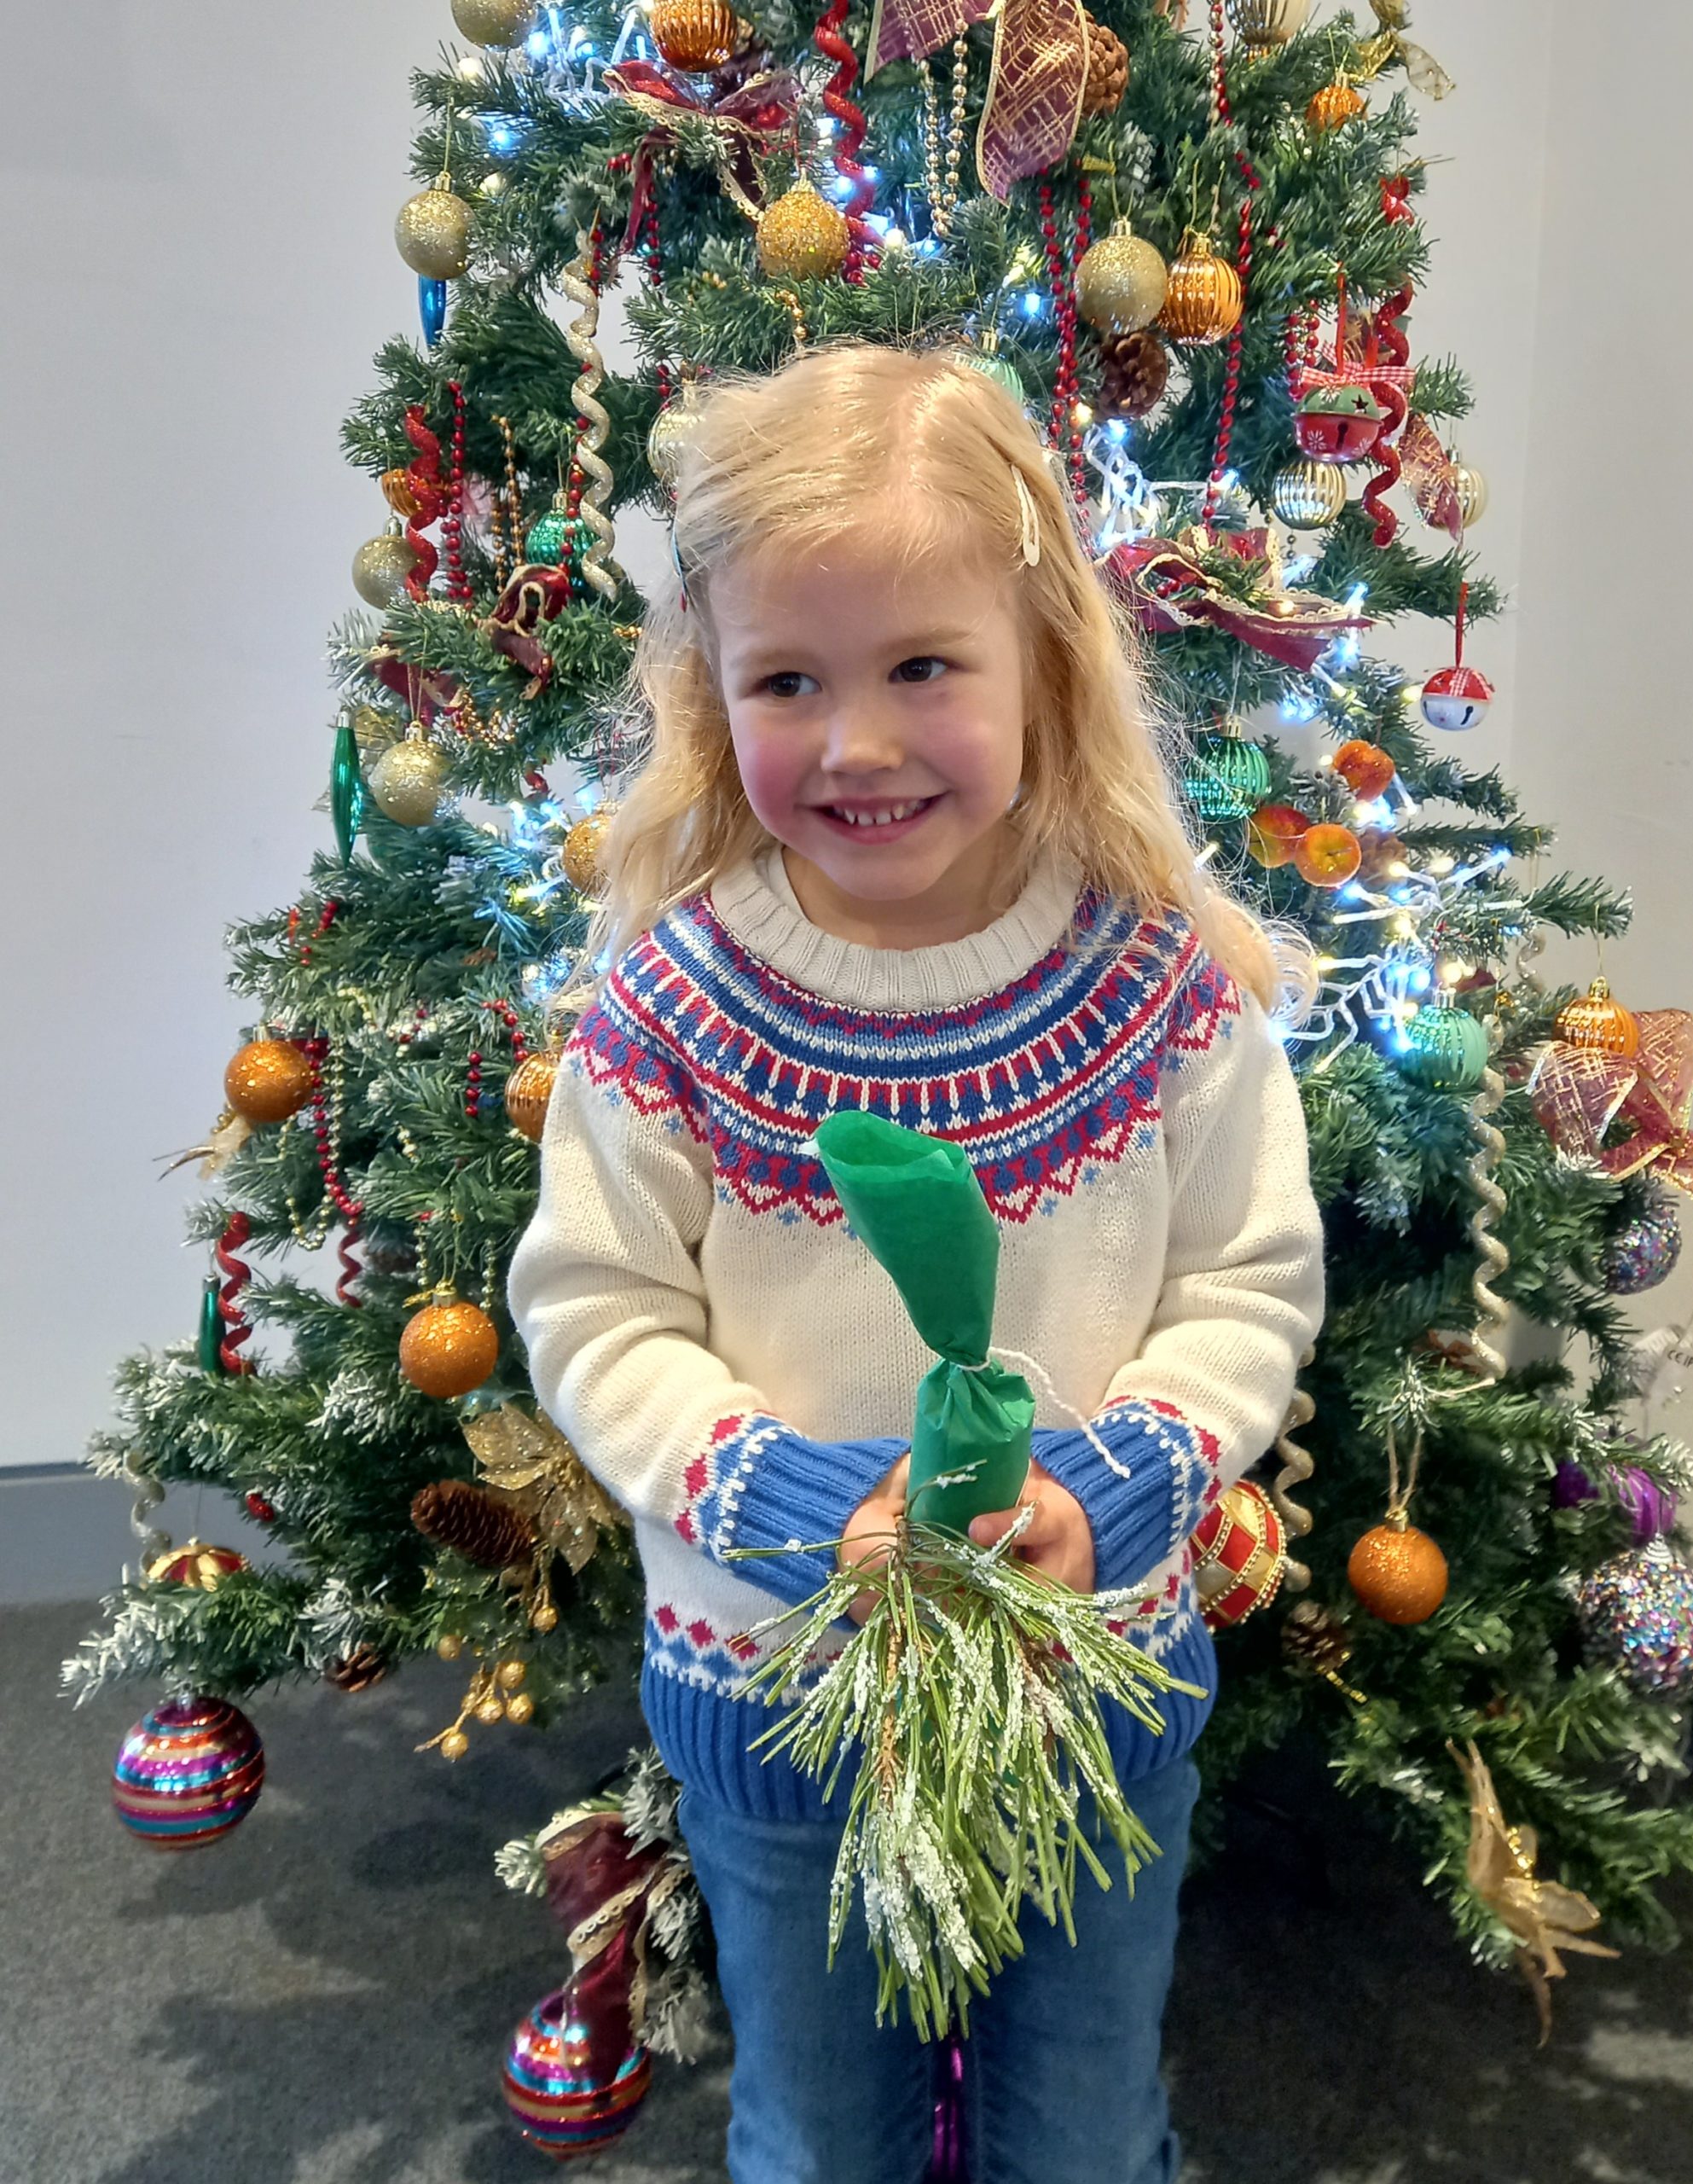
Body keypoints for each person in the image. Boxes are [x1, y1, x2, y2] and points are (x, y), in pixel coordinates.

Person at [507, 341, 1326, 2184]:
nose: (856, 741)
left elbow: (1244, 1283)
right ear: (713, 701)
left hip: (1088, 1680)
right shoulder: (671, 1007)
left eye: (923, 668)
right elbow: (596, 1306)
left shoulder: (1157, 983)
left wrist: (1115, 1478)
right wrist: (798, 1501)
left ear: (1043, 664)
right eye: (787, 679)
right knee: (822, 2130)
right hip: (776, 1685)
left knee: (1083, 2119)